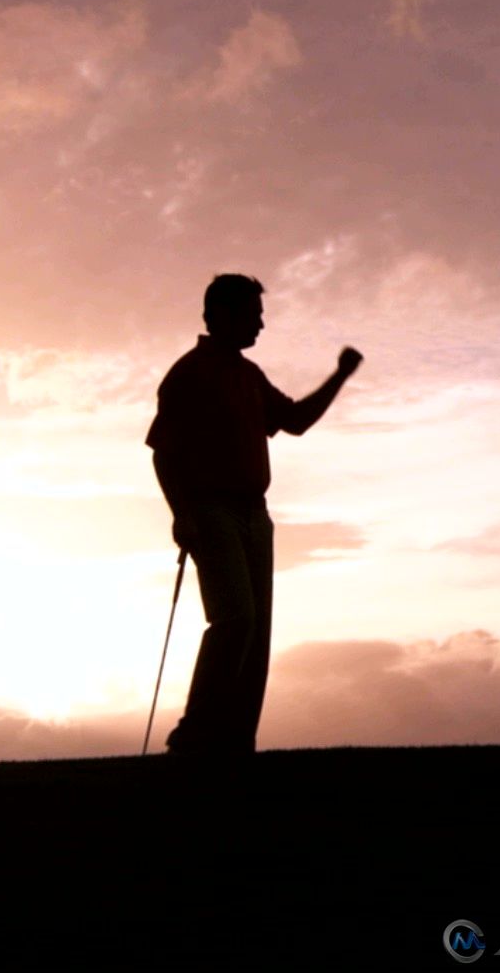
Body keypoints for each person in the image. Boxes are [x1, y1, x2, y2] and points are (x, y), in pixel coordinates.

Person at [147, 274, 362, 757]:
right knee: (236, 620)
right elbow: (163, 452)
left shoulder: (249, 375)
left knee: (256, 633)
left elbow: (297, 421)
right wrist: (182, 514)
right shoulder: (188, 373)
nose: (261, 323)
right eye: (253, 313)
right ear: (220, 314)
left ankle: (235, 743)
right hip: (210, 508)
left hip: (254, 514)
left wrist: (341, 375)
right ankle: (195, 735)